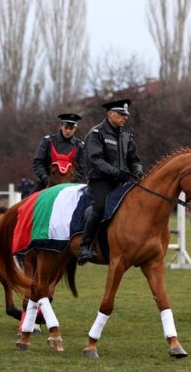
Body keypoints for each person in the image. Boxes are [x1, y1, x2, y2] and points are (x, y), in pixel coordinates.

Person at [78, 99, 143, 264]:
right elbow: (95, 160)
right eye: (121, 114)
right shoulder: (96, 133)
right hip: (100, 181)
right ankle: (85, 246)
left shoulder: (127, 136)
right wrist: (116, 173)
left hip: (121, 181)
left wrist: (137, 170)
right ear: (110, 113)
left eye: (126, 115)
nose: (125, 117)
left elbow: (134, 158)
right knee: (100, 206)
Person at [31, 113, 86, 192]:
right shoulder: (47, 141)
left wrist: (72, 181)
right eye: (66, 127)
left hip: (71, 185)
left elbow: (82, 168)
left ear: (75, 129)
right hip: (46, 182)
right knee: (31, 201)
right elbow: (38, 162)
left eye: (71, 128)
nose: (68, 131)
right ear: (61, 126)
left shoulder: (80, 146)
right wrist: (46, 179)